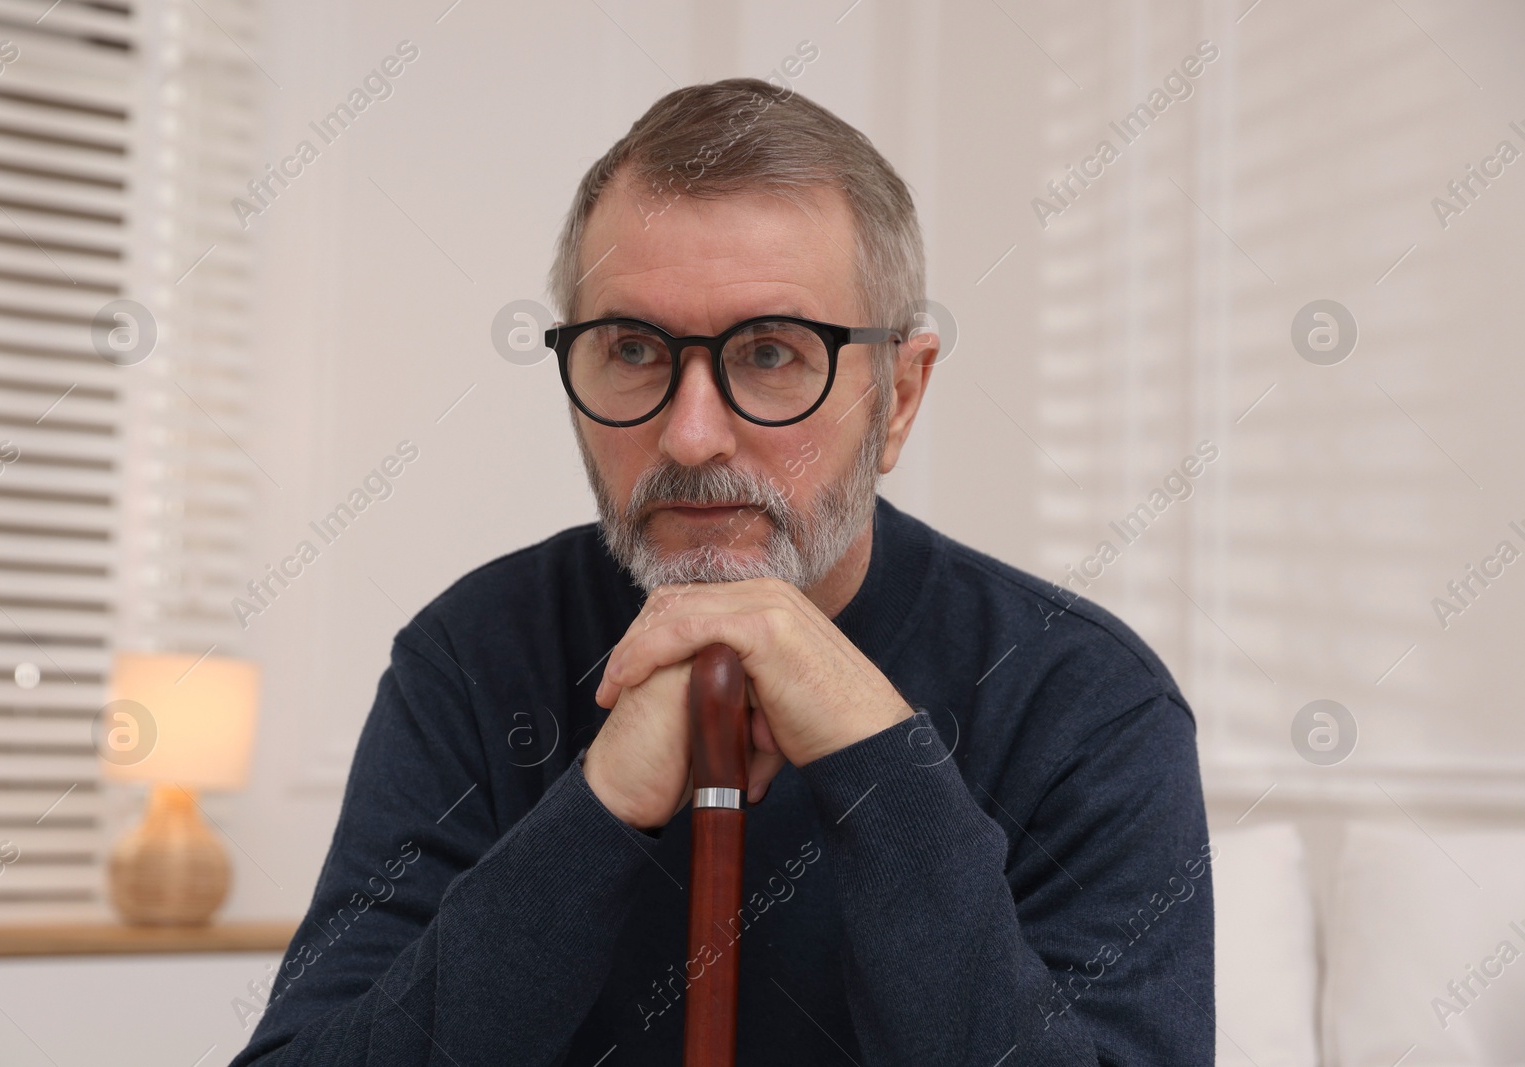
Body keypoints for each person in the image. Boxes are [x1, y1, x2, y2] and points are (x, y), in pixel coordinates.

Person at [233, 77, 1213, 1066]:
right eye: (631, 348)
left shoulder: (1087, 699)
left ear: (901, 396)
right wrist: (600, 803)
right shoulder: (473, 656)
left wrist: (877, 759)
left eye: (772, 353)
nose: (693, 435)